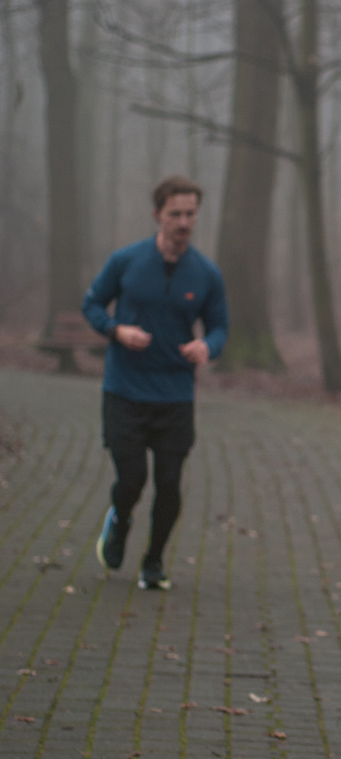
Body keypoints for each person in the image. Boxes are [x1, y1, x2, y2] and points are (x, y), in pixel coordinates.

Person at [82, 175, 228, 591]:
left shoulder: (206, 273)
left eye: (190, 214)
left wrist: (207, 346)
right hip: (125, 389)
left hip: (175, 394)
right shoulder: (126, 261)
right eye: (175, 214)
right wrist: (116, 330)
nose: (183, 222)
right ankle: (120, 519)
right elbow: (92, 304)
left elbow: (219, 327)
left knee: (169, 482)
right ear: (157, 215)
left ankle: (154, 560)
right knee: (131, 479)